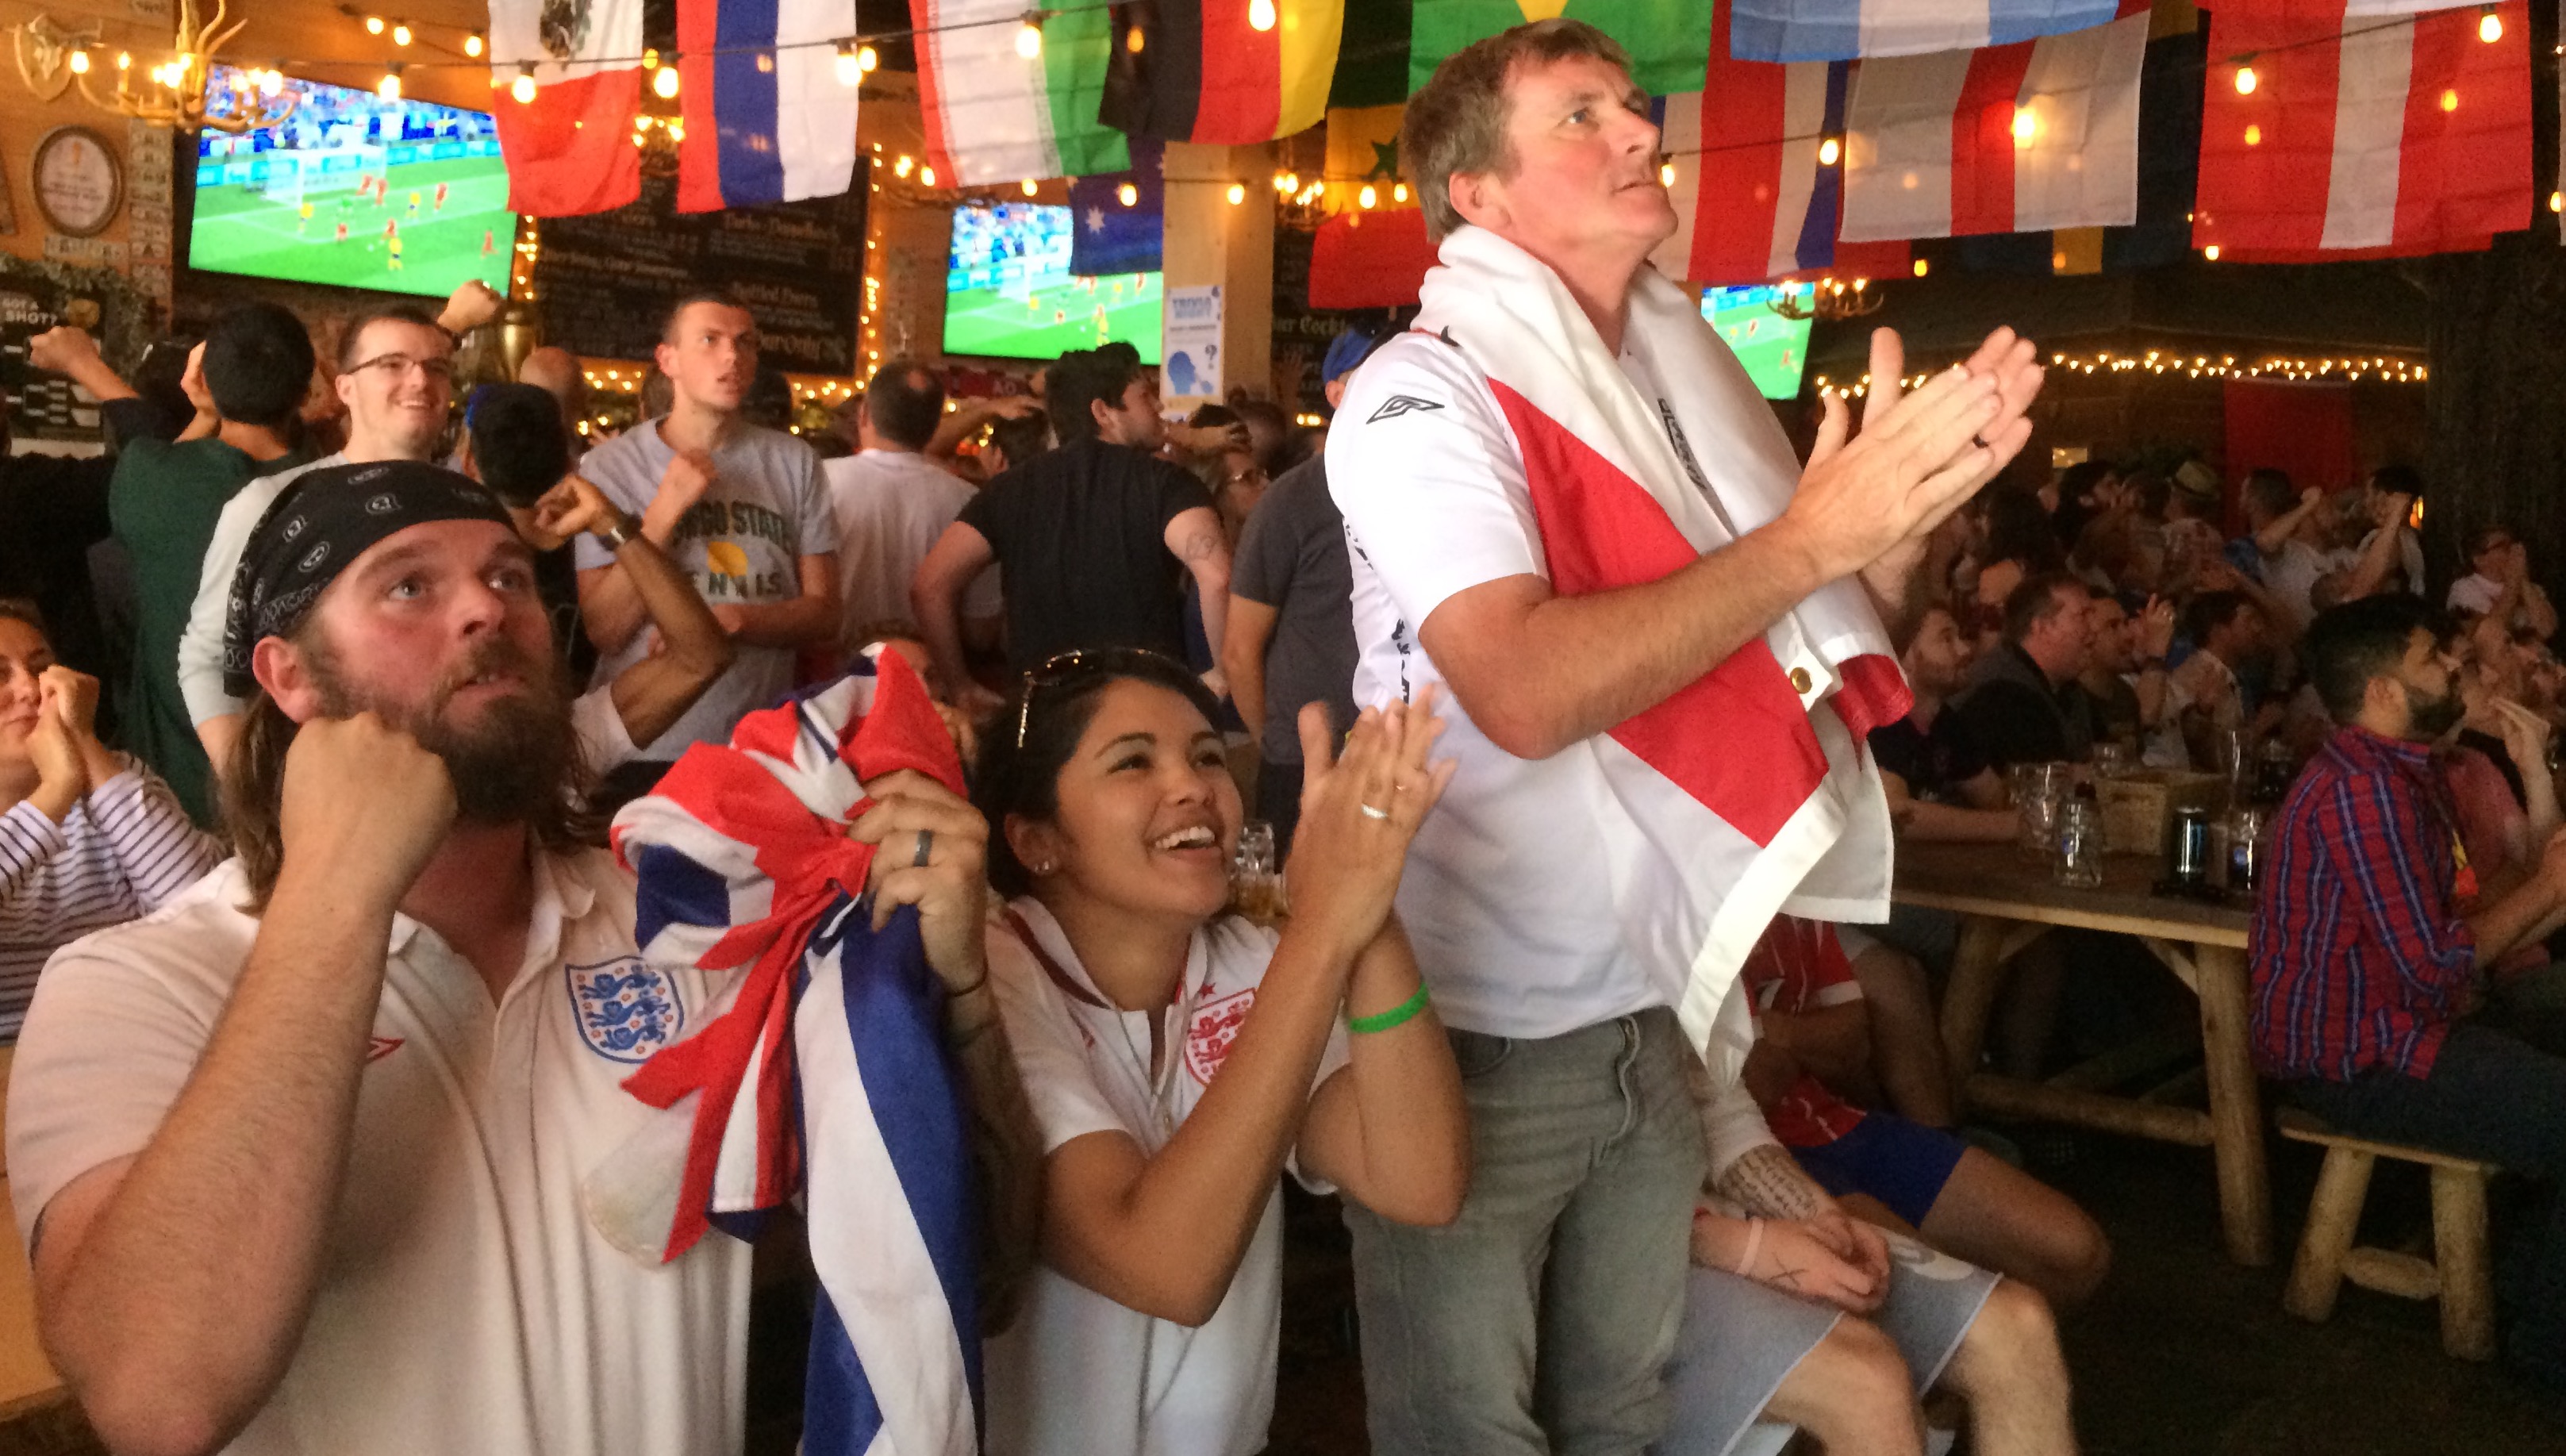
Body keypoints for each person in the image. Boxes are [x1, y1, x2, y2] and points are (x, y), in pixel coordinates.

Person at [1322, 20, 2043, 1453]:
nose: (1641, 132)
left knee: (1624, 1419)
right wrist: (1802, 543)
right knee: (1469, 1431)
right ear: (1474, 194)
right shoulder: (1421, 397)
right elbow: (1521, 692)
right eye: (1581, 116)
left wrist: (1876, 555)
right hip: (1479, 1024)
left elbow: (1780, 668)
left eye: (1632, 108)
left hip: (1656, 1005)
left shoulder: (1671, 397)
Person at [6, 459, 1016, 1452]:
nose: (487, 611)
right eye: (409, 585)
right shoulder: (133, 985)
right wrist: (334, 892)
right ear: (289, 676)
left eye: (508, 576)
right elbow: (157, 1396)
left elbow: (967, 1263)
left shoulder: (695, 924)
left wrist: (956, 1004)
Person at [973, 651, 1467, 1455]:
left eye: (1208, 755)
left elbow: (1420, 1180)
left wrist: (1366, 906)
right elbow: (1165, 1266)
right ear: (1036, 840)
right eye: (1134, 760)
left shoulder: (1248, 958)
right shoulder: (993, 978)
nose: (1193, 783)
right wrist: (1322, 930)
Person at [2251, 592, 2566, 1392]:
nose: (2455, 667)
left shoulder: (2399, 774)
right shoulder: (2365, 795)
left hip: (2401, 1026)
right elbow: (2436, 971)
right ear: (2385, 691)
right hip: (2356, 1057)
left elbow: (2450, 928)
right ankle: (2546, 1345)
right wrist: (2547, 887)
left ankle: (2525, 1288)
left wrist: (2540, 869)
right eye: (2435, 658)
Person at [175, 282, 509, 777]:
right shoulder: (273, 504)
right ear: (345, 388)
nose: (419, 381)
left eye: (435, 367)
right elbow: (204, 659)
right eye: (391, 365)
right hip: (322, 800)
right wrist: (252, 791)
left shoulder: (468, 510)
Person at [1738, 916, 2109, 1307]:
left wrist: (1776, 1031)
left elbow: (1853, 1042)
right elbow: (1761, 1078)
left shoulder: (1797, 907)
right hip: (1760, 1159)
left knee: (2077, 1255)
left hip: (1837, 1123)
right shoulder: (1703, 911)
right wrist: (1807, 1039)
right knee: (1961, 1305)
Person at [58, 309, 316, 826]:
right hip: (298, 793)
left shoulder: (151, 476)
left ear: (206, 384)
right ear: (307, 390)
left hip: (163, 801)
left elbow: (164, 468)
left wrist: (204, 412)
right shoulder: (334, 487)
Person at [572, 294, 840, 785]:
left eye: (745, 343)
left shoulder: (796, 462)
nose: (732, 356)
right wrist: (664, 511)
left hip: (757, 749)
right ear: (668, 360)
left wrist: (736, 621)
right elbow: (605, 630)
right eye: (709, 341)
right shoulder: (609, 467)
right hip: (642, 743)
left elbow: (825, 614)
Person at [914, 348, 1231, 712]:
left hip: (1041, 711)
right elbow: (1218, 575)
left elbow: (929, 586)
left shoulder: (1012, 488)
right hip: (1146, 705)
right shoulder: (1166, 483)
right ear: (1103, 412)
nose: (1158, 407)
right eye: (1145, 396)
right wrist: (1220, 674)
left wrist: (960, 687)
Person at [0, 604, 221, 1039]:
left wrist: (83, 743)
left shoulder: (115, 779)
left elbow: (202, 910)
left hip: (145, 1032)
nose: (30, 689)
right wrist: (56, 791)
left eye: (42, 668)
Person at [1218, 336, 1370, 855]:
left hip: (1395, 754)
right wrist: (1278, 744)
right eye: (1369, 376)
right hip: (1303, 760)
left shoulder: (1429, 487)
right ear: (1334, 392)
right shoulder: (1292, 499)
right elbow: (1240, 650)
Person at [824, 359, 1000, 658]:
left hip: (828, 682)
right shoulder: (971, 500)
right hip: (927, 683)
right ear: (934, 425)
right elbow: (979, 633)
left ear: (864, 414)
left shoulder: (817, 481)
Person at [1948, 571, 2097, 770]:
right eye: (2083, 616)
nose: (2093, 629)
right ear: (2042, 627)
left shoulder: (2067, 690)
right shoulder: (2000, 697)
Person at [2448, 526, 2559, 639]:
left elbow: (2547, 629)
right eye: (2503, 546)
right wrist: (2513, 583)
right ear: (2478, 559)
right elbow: (2489, 634)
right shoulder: (2464, 589)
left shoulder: (2530, 587)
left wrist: (2523, 582)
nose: (2513, 551)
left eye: (2513, 545)